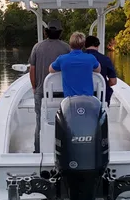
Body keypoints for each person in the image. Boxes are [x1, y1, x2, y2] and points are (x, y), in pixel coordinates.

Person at [28, 19, 70, 153]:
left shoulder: (37, 47)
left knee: (39, 121)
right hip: (62, 93)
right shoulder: (66, 48)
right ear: (60, 33)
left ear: (46, 33)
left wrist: (35, 88)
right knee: (65, 122)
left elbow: (32, 70)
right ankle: (64, 149)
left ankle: (38, 150)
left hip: (42, 91)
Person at [48, 32, 101, 97]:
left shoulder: (62, 59)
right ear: (83, 44)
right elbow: (98, 70)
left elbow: (50, 69)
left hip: (70, 101)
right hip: (88, 100)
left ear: (70, 44)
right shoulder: (91, 58)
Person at [84, 35, 118, 106]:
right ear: (97, 45)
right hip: (101, 97)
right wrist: (102, 84)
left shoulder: (78, 59)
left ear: (85, 45)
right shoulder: (106, 59)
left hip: (82, 95)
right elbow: (113, 81)